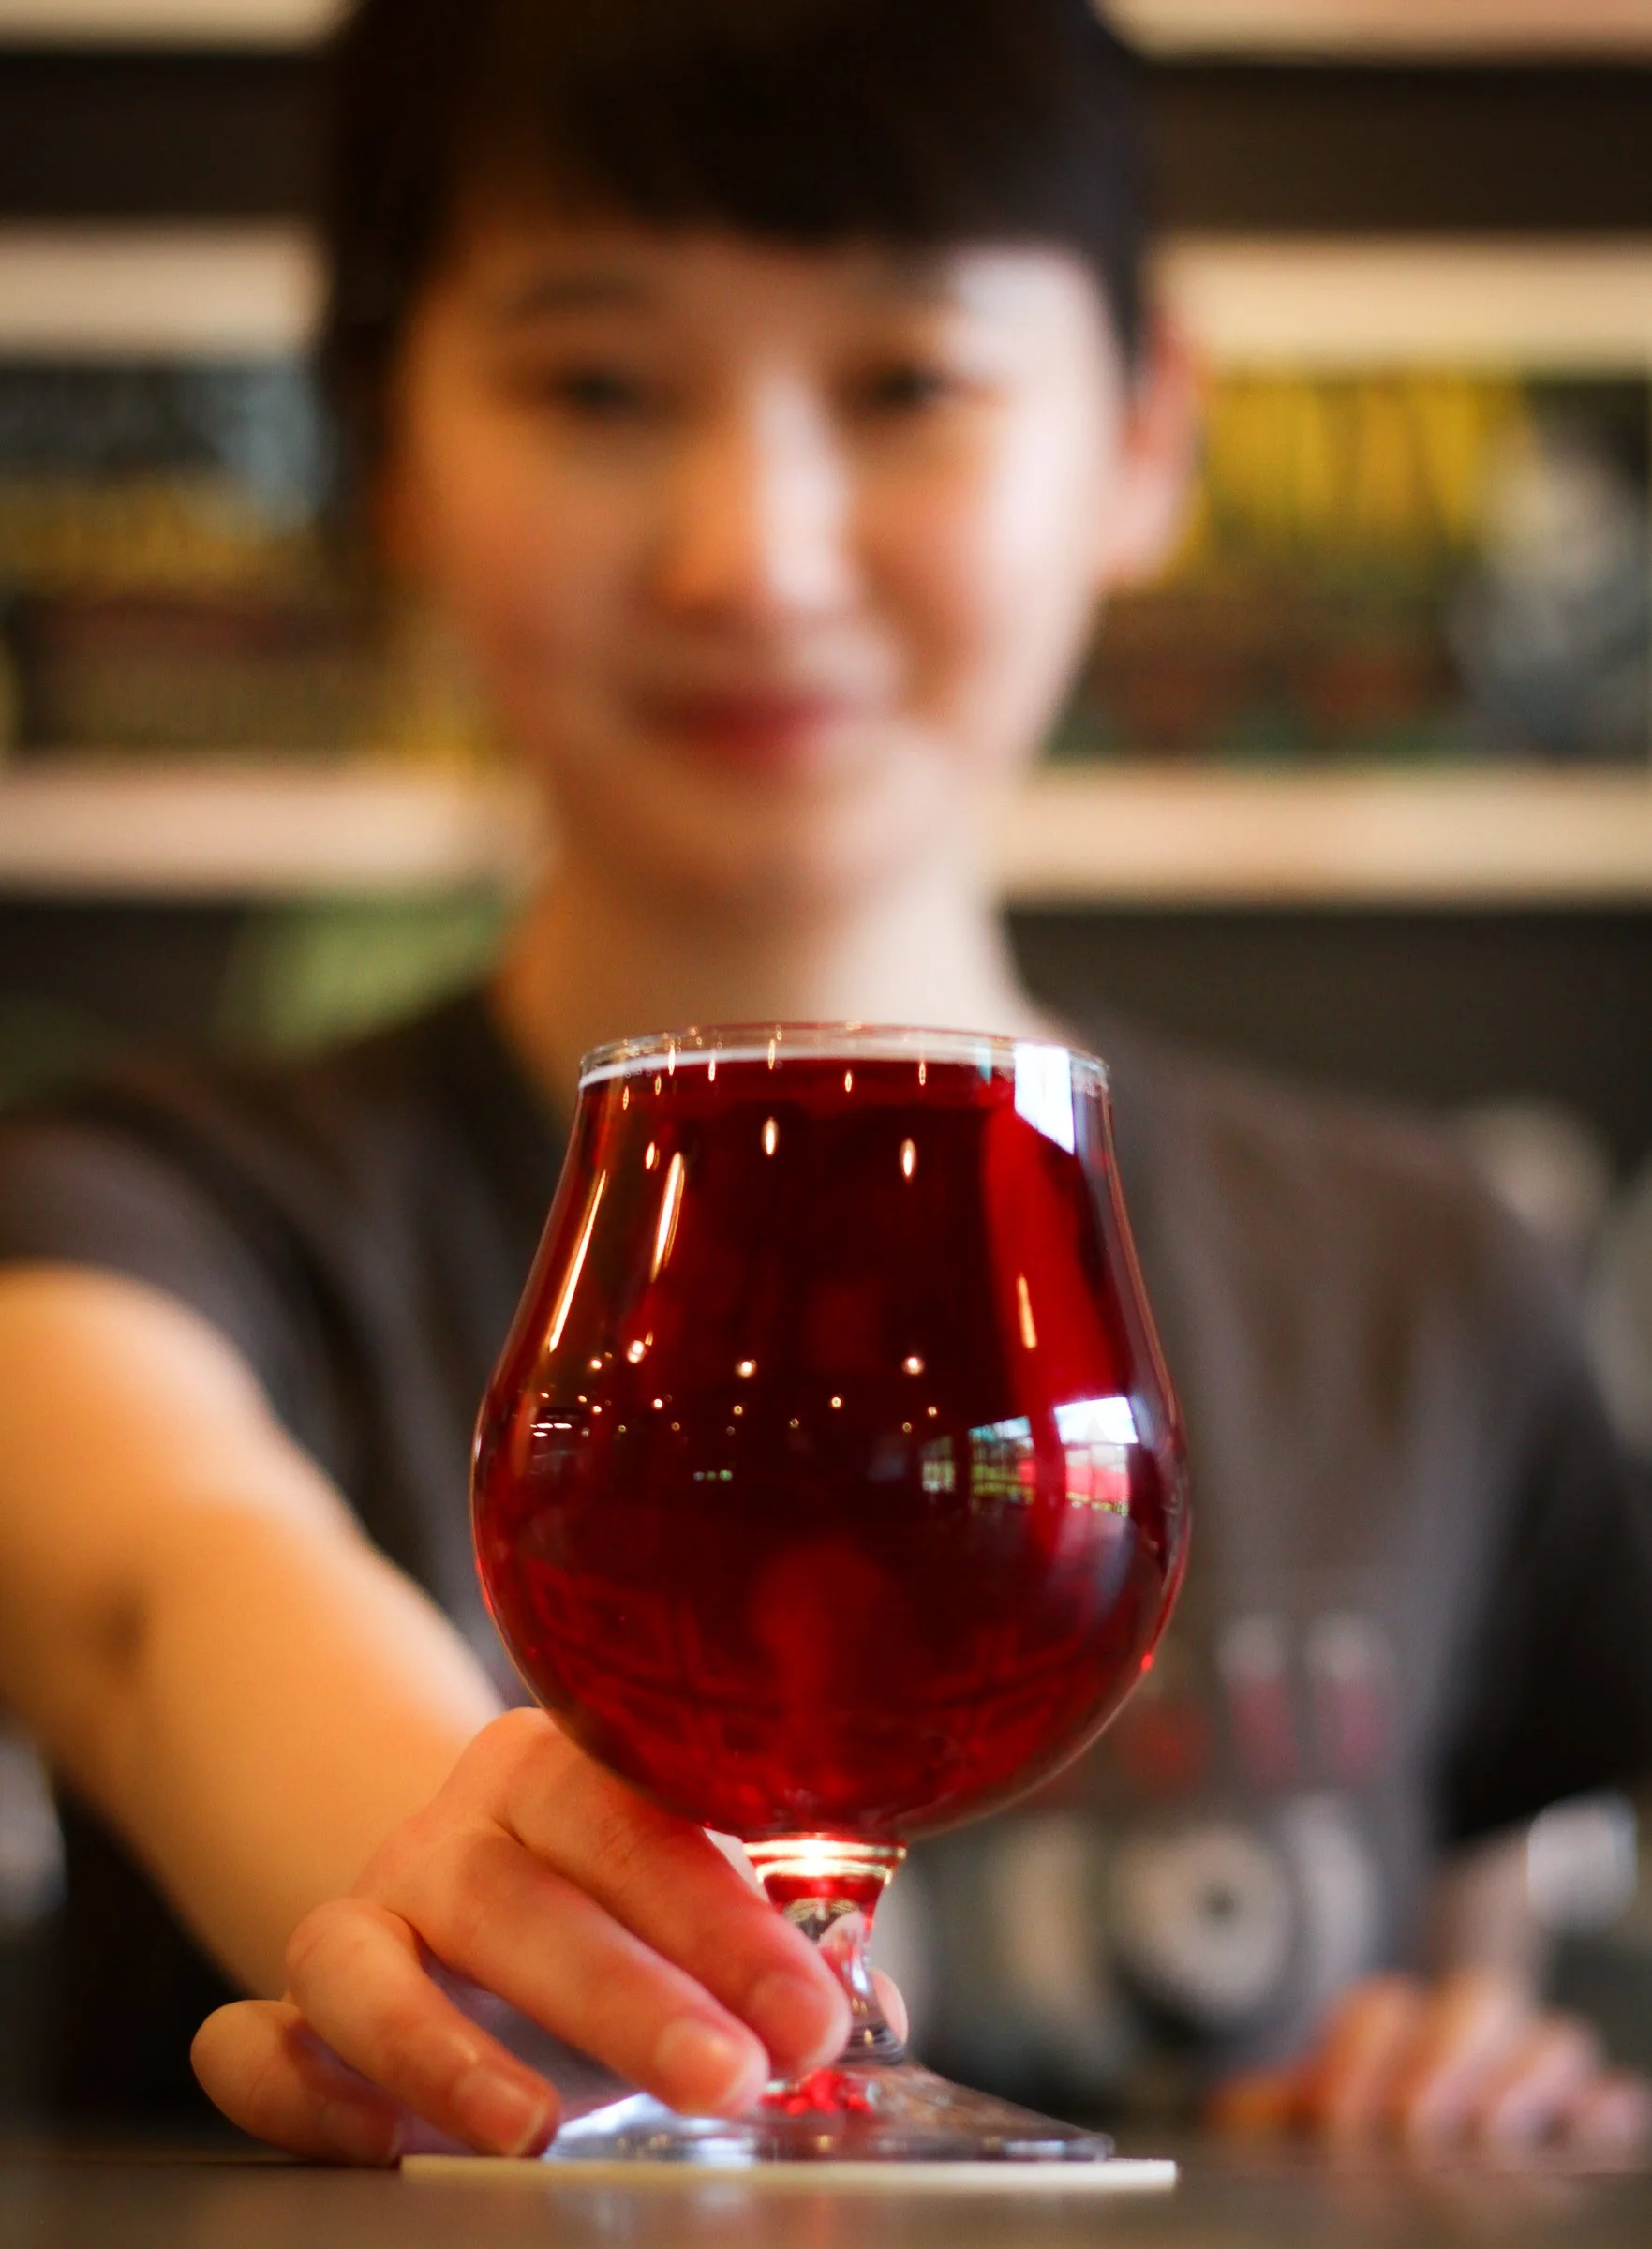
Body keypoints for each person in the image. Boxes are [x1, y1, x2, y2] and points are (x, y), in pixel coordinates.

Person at [1, 0, 1650, 2164]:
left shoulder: (1423, 1284)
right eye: (597, 386)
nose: (751, 557)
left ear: (1144, 435)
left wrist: (1443, 2103)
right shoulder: (132, 1224)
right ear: (382, 443)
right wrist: (501, 1936)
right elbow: (160, 1598)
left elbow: (1455, 1996)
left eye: (904, 385)